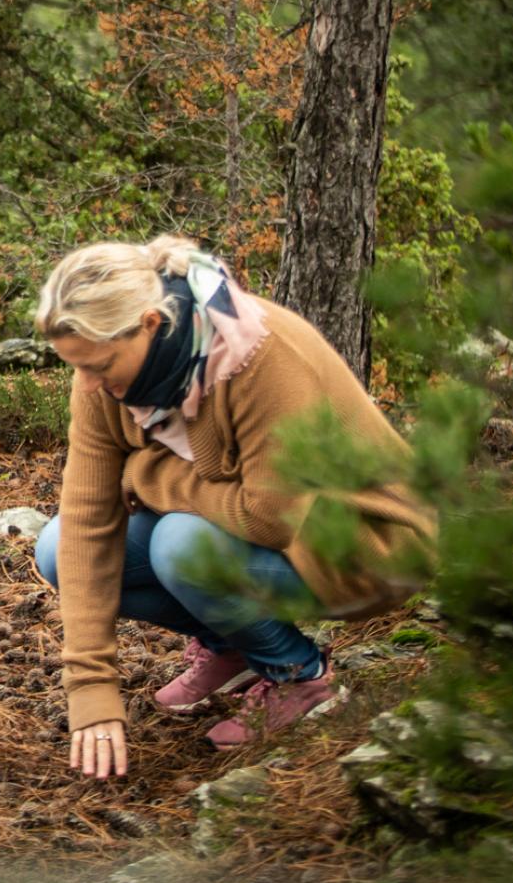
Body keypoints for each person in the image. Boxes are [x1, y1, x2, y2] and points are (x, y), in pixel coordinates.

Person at [30, 236, 436, 776]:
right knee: (57, 548)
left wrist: (146, 472)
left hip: (367, 547)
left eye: (99, 365)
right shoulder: (104, 378)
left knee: (179, 543)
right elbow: (86, 520)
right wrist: (91, 691)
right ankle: (232, 644)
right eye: (74, 366)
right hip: (258, 535)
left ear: (150, 324)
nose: (87, 383)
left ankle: (300, 675)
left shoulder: (257, 355)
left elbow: (269, 516)